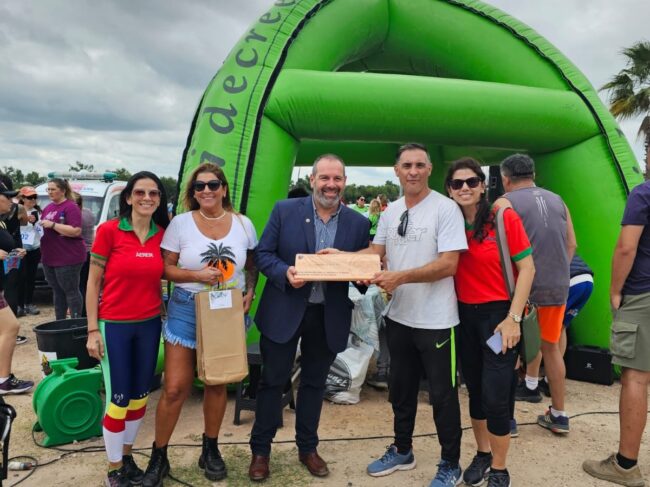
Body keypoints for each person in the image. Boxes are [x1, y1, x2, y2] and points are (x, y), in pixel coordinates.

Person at [248, 154, 369, 482]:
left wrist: (365, 273)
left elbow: (361, 272)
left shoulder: (358, 223)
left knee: (314, 384)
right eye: (325, 178)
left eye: (337, 179)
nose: (331, 185)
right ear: (313, 180)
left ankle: (307, 448)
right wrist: (285, 273)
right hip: (284, 310)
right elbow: (263, 255)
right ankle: (261, 451)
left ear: (345, 182)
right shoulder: (284, 210)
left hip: (327, 315)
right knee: (272, 382)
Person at [143, 163, 259, 486]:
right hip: (186, 308)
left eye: (212, 184)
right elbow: (164, 268)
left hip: (225, 310)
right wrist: (196, 275)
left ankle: (210, 448)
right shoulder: (180, 223)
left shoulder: (243, 224)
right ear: (192, 192)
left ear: (224, 188)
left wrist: (250, 291)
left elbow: (252, 264)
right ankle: (159, 455)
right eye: (199, 186)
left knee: (216, 383)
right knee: (174, 388)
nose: (206, 190)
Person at [359, 143, 467, 487]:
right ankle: (402, 449)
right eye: (407, 165)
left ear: (430, 169)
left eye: (420, 165)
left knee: (443, 396)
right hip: (399, 317)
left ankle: (450, 463)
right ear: (396, 170)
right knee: (400, 391)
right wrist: (338, 258)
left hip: (437, 321)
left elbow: (449, 265)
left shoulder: (446, 208)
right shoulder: (390, 211)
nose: (413, 171)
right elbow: (375, 253)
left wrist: (400, 277)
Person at [446, 158, 535, 487]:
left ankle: (499, 468)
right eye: (457, 183)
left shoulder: (501, 217)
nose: (465, 188)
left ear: (483, 185)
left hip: (498, 318)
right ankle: (483, 453)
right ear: (449, 190)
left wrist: (513, 318)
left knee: (496, 395)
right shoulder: (449, 221)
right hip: (463, 316)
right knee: (476, 390)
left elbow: (528, 269)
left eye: (472, 181)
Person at [85, 172, 169, 487]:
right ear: (129, 197)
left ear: (159, 199)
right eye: (140, 192)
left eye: (153, 193)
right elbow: (92, 283)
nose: (147, 198)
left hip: (149, 325)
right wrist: (92, 330)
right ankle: (114, 469)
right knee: (118, 399)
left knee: (138, 398)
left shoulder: (162, 235)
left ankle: (127, 456)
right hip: (114, 326)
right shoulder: (109, 231)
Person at [495, 154, 576, 434]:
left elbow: (500, 250)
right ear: (534, 175)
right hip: (557, 286)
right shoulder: (558, 201)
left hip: (520, 291)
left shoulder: (503, 203)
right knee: (551, 348)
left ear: (505, 178)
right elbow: (572, 244)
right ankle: (560, 415)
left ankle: (507, 420)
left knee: (509, 350)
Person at [582, 179, 650, 487]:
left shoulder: (644, 193)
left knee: (636, 377)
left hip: (642, 293)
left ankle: (625, 465)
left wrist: (614, 290)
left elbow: (626, 247)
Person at [538, 255, 594, 397]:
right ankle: (549, 381)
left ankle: (531, 383)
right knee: (561, 327)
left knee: (541, 329)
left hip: (570, 281)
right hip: (587, 280)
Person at [0, 179, 33, 396]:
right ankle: (3, 380)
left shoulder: (2, 222)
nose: (12, 201)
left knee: (9, 328)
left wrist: (14, 253)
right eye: (8, 197)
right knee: (11, 327)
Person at [40, 178, 87, 320]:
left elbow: (76, 231)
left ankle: (75, 321)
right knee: (57, 291)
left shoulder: (71, 207)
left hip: (68, 256)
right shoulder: (48, 208)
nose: (50, 192)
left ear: (63, 191)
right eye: (48, 189)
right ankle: (60, 322)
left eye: (53, 189)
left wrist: (53, 225)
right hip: (50, 257)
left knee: (71, 291)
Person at [16, 186, 42, 317]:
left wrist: (36, 222)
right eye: (29, 197)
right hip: (20, 250)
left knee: (31, 277)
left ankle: (28, 303)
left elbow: (42, 231)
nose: (32, 200)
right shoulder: (16, 210)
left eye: (34, 197)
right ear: (22, 198)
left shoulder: (38, 212)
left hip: (34, 248)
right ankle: (19, 305)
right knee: (20, 277)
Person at [73, 192, 95, 317]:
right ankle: (86, 311)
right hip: (89, 251)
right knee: (86, 284)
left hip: (77, 253)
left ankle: (80, 313)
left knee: (78, 285)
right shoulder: (89, 213)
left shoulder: (76, 216)